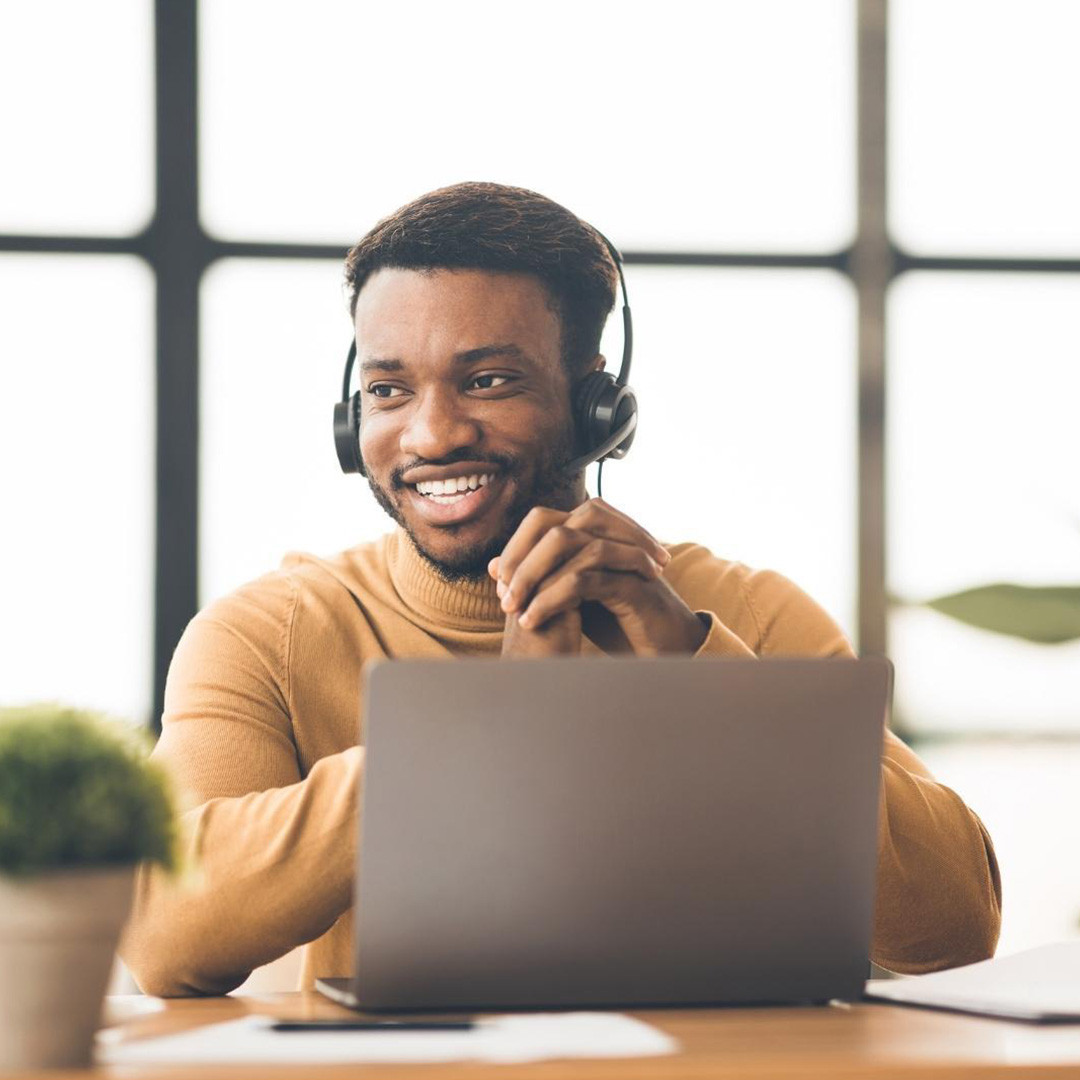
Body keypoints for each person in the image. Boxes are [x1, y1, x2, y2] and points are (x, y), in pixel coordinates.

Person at [120, 182, 1001, 996]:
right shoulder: (267, 633)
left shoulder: (748, 613)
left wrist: (695, 667)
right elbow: (164, 937)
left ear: (597, 412)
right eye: (388, 390)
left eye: (488, 381)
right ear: (353, 424)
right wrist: (492, 725)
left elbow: (953, 928)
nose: (430, 434)